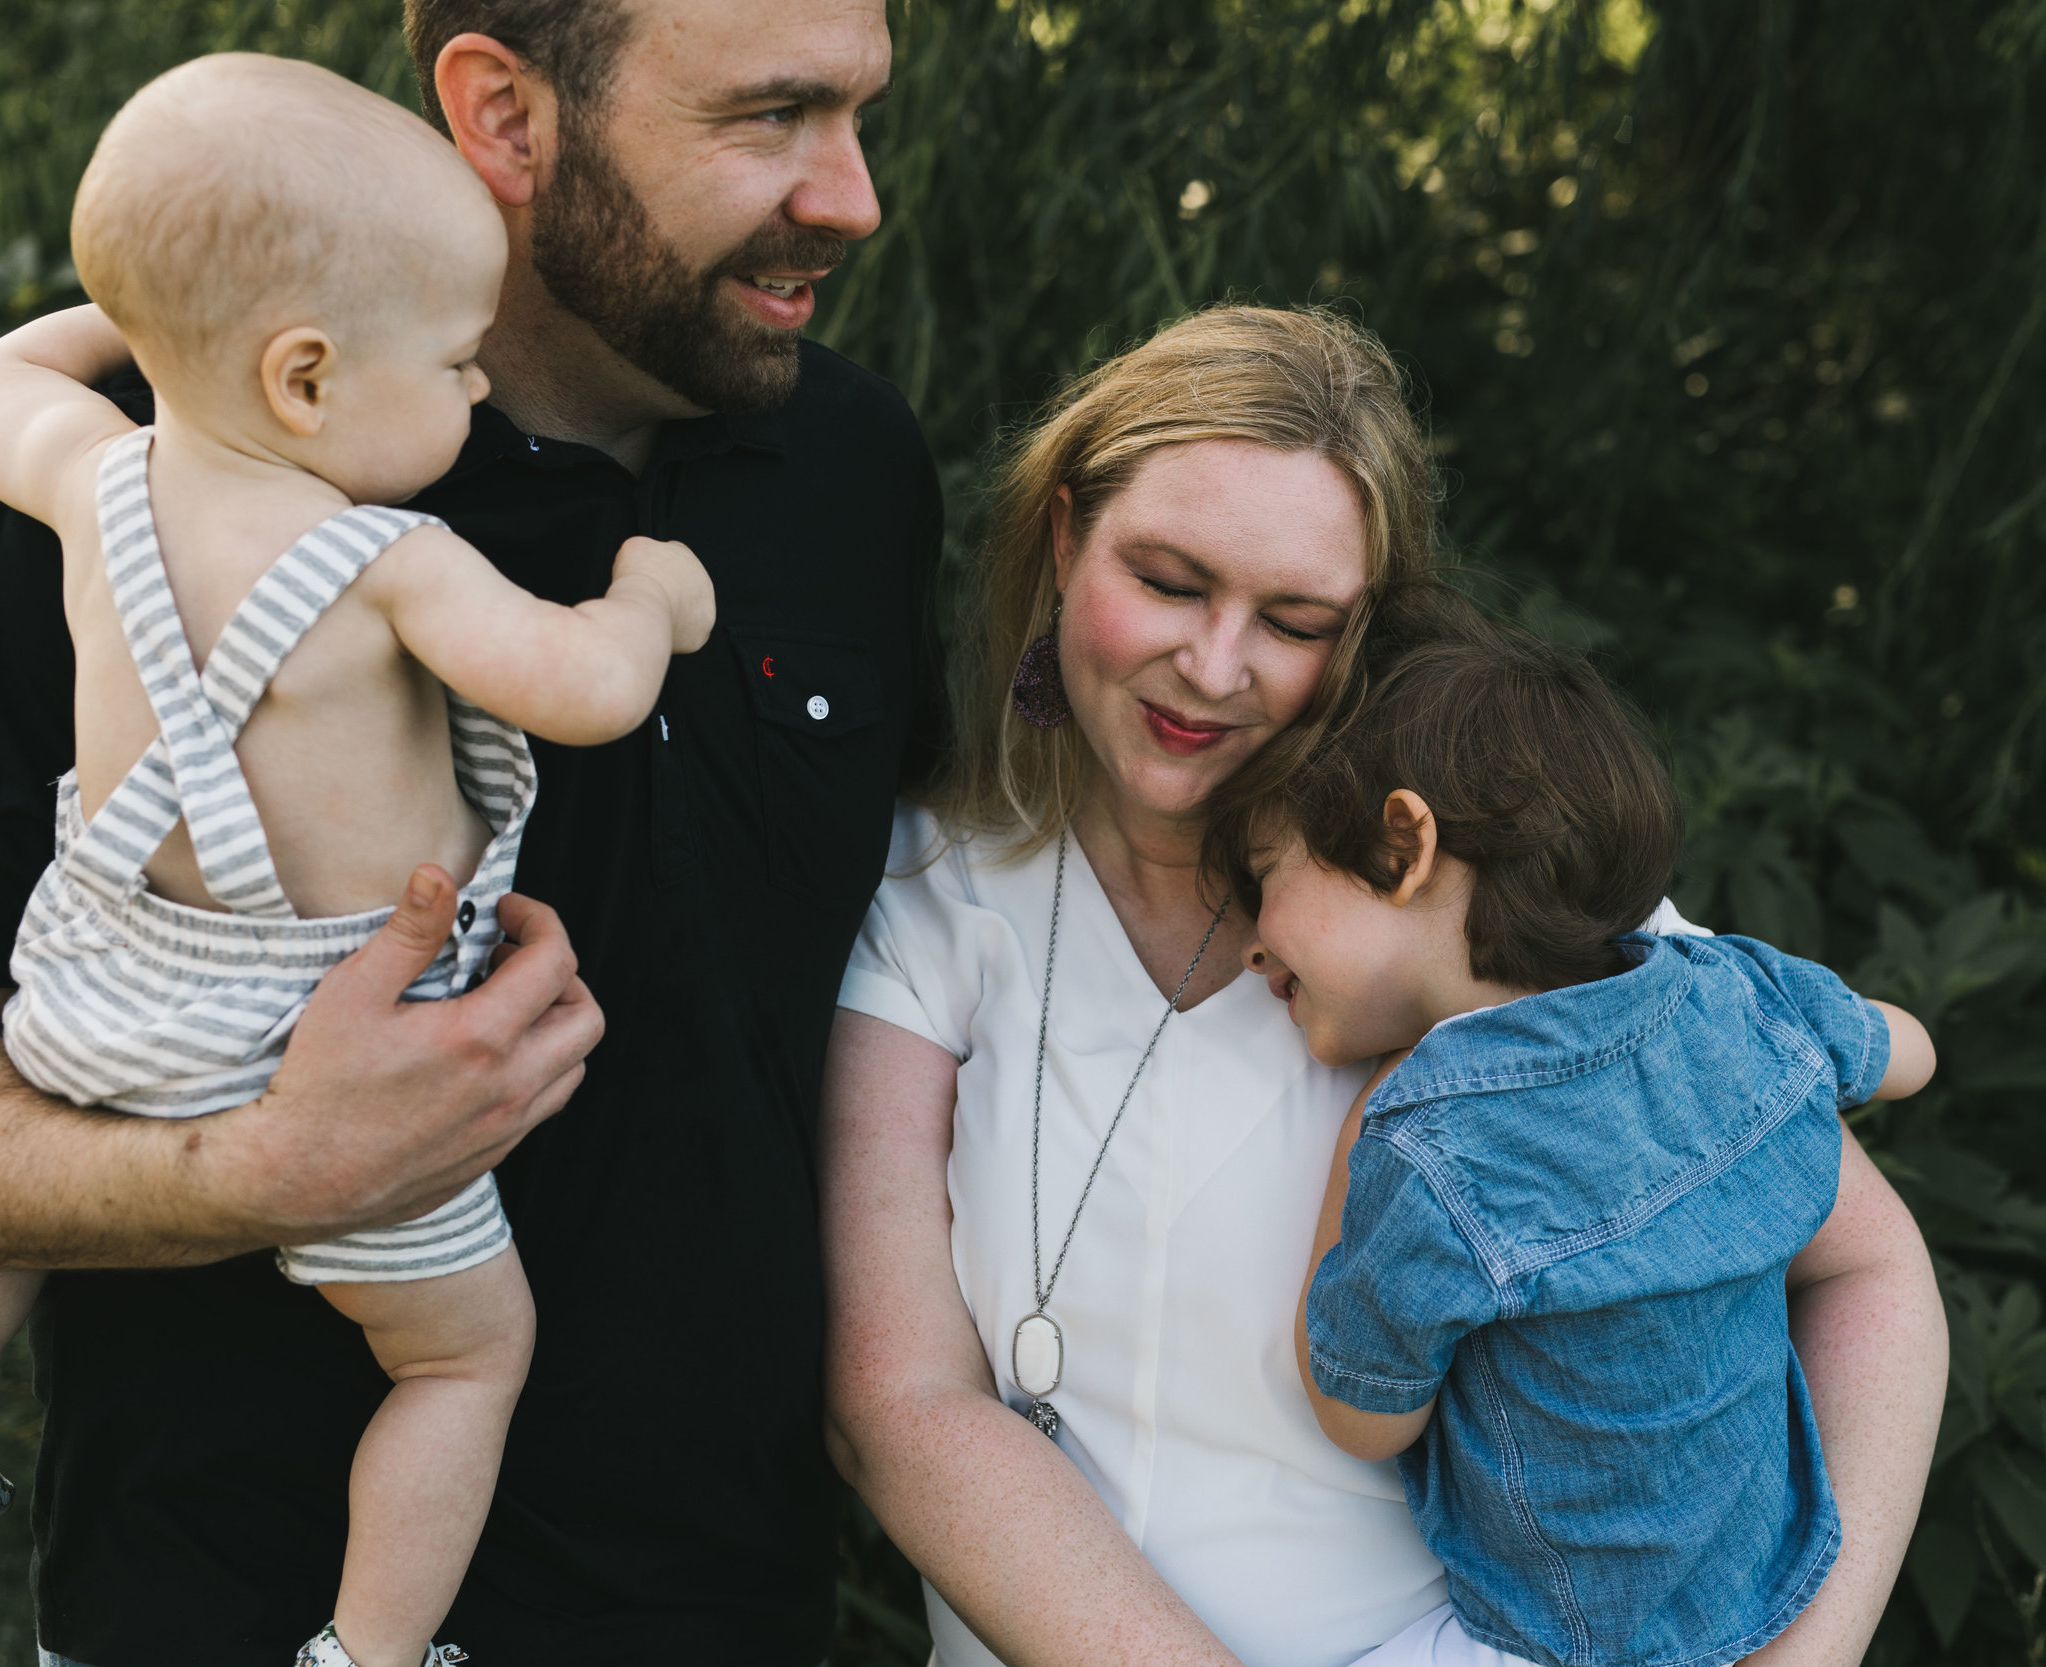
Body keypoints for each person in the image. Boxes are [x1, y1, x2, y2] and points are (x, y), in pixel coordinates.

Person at [0, 1, 930, 1660]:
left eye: (858, 113)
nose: (853, 196)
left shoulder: (859, 477)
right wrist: (256, 1172)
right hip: (208, 1611)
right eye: (770, 116)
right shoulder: (162, 512)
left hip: (721, 1614)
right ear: (505, 114)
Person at [821, 304, 1948, 1667]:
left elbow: (1870, 1269)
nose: (1216, 663)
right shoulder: (930, 895)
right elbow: (901, 1401)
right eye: (1171, 580)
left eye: (1295, 618)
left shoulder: (1520, 928)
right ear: (1064, 541)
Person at [1206, 592, 1937, 1667]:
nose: (1248, 947)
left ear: (1400, 843)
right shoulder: (1729, 991)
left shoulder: (1430, 1143)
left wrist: (1367, 1139)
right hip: (1773, 1580)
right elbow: (1908, 1053)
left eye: (1264, 877)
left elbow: (1361, 1415)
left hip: (1563, 1640)